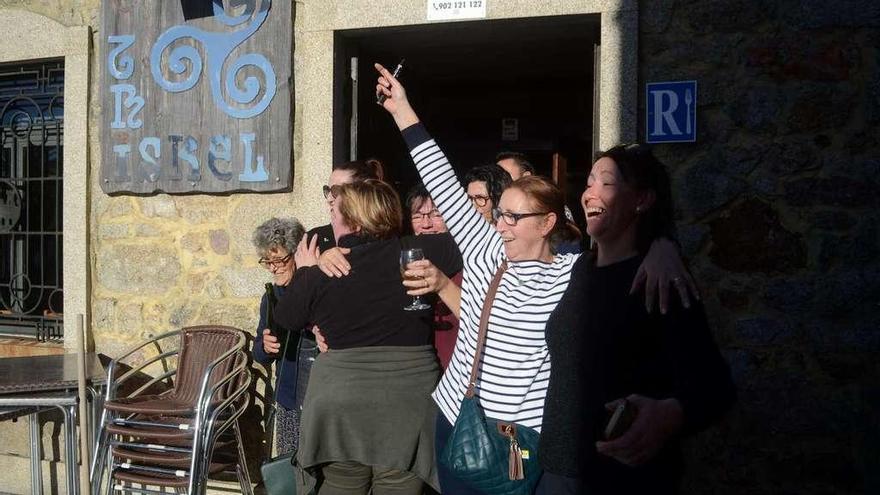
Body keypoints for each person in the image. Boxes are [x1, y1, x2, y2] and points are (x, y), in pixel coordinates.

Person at [374, 63, 697, 494]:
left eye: (512, 216)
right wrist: (402, 111)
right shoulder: (484, 248)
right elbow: (441, 180)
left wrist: (663, 243)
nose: (499, 223)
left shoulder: (574, 273)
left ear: (547, 223)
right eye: (499, 213)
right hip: (456, 417)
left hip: (519, 437)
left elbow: (622, 249)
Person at [538, 144, 736, 494]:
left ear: (642, 200)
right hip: (558, 469)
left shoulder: (658, 279)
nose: (589, 193)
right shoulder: (582, 268)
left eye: (607, 183)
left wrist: (671, 413)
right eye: (588, 182)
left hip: (621, 478)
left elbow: (715, 388)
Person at [274, 179, 462, 495]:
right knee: (398, 484)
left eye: (336, 211)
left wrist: (307, 270)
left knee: (341, 486)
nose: (330, 217)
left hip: (341, 407)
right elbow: (479, 240)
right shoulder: (423, 251)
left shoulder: (325, 270)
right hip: (407, 403)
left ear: (354, 221)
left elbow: (286, 318)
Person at [250, 217, 308, 455]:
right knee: (289, 467)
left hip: (315, 396)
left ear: (297, 255)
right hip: (286, 398)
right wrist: (264, 346)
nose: (273, 267)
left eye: (279, 260)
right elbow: (258, 355)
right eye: (267, 261)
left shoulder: (314, 290)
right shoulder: (271, 297)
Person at [405, 183, 461, 369]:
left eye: (436, 215)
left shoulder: (468, 258)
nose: (427, 224)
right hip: (417, 363)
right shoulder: (402, 260)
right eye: (417, 216)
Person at [307, 158, 385, 251]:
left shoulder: (384, 242)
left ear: (361, 194)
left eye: (336, 190)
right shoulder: (315, 240)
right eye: (327, 190)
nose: (329, 199)